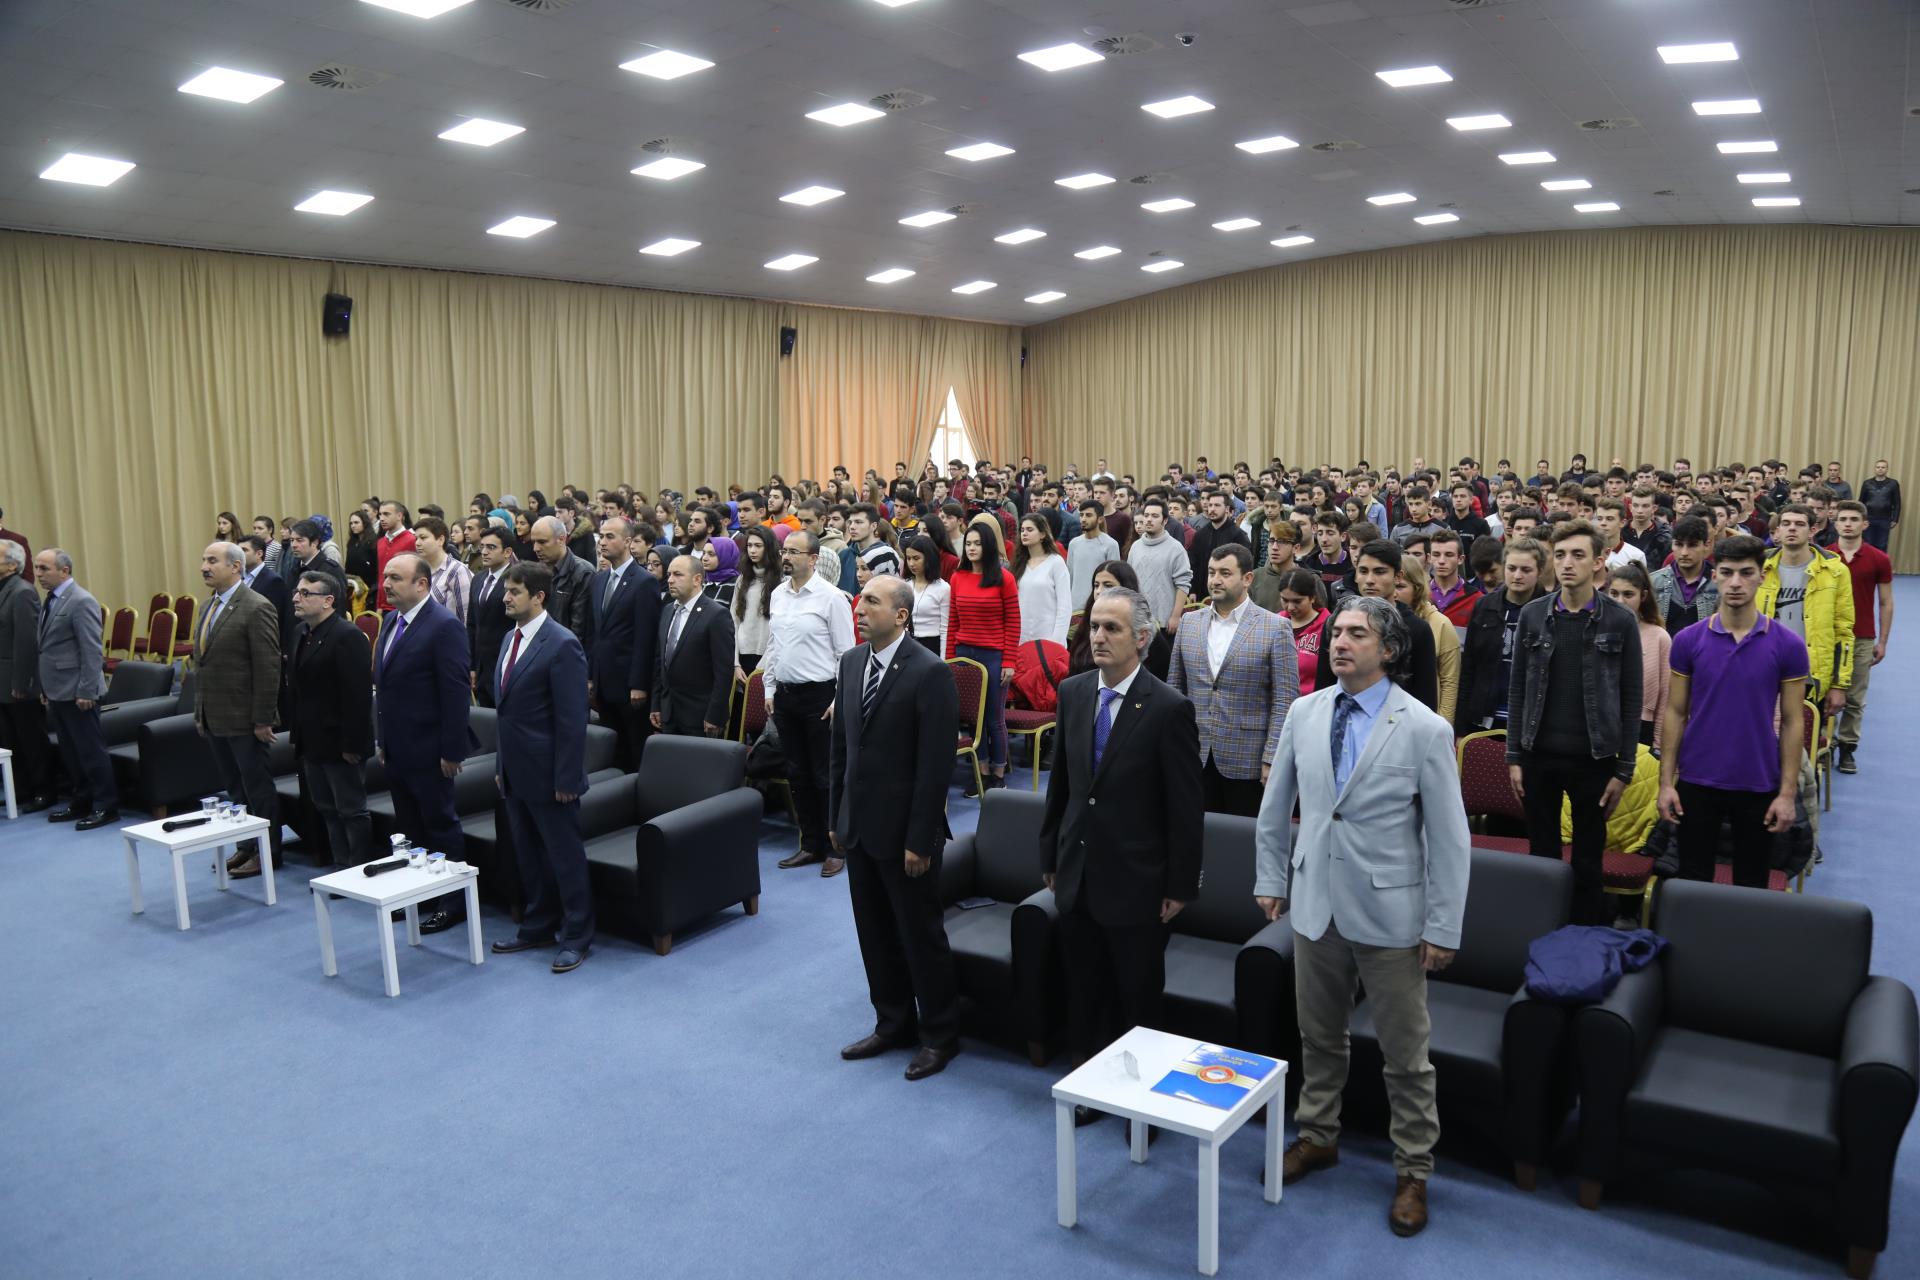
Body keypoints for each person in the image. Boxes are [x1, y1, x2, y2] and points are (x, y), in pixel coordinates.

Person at [1253, 595, 1471, 1236]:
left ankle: (1413, 1170)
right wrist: (1270, 877)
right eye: (1337, 633)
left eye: (1357, 634)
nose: (1339, 643)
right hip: (1314, 901)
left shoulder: (1425, 728)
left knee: (1406, 1055)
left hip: (1392, 912)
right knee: (1318, 1035)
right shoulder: (1305, 711)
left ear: (1390, 650)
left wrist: (1442, 925)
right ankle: (1318, 1136)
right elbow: (1276, 804)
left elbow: (1450, 838)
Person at [1041, 587, 1204, 1109]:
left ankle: (1142, 1101)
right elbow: (1062, 786)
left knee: (1136, 996)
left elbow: (1184, 809)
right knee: (1083, 988)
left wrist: (1180, 884)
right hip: (1078, 870)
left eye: (1112, 628)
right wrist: (1050, 855)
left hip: (1137, 880)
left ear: (1141, 638)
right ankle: (1088, 1087)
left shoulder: (1169, 708)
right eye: (1094, 626)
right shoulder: (1074, 692)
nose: (1098, 636)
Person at [829, 576, 964, 1081]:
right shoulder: (851, 663)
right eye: (859, 600)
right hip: (859, 827)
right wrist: (836, 817)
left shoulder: (930, 672)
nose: (859, 609)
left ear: (901, 615)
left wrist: (919, 838)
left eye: (871, 601)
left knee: (920, 937)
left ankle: (941, 1035)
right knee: (874, 933)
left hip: (907, 832)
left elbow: (935, 767)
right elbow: (841, 749)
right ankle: (893, 1023)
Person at [1505, 520, 1642, 926]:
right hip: (1538, 754)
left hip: (1594, 758)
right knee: (1542, 856)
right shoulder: (1533, 615)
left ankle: (1583, 935)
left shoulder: (1620, 620)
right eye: (1560, 555)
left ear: (1599, 561)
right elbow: (1518, 689)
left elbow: (1631, 698)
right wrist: (1514, 756)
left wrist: (1624, 769)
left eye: (1578, 555)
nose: (1567, 563)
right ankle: (1542, 929)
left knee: (1587, 859)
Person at [1658, 534, 1808, 888]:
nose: (1736, 582)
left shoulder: (1789, 645)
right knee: (1691, 883)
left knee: (1750, 887)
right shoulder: (1688, 641)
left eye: (1746, 573)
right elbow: (1675, 712)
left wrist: (1787, 793)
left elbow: (1792, 722)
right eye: (1727, 573)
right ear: (1715, 576)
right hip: (1696, 779)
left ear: (1762, 577)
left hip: (1759, 780)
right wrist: (1666, 783)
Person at [487, 560, 595, 972]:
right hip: (515, 771)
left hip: (551, 774)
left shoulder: (562, 643)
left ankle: (577, 935)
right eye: (506, 590)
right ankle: (538, 925)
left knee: (565, 858)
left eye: (514, 592)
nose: (506, 598)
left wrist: (567, 776)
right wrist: (502, 765)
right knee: (529, 855)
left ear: (538, 597)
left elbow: (572, 720)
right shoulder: (508, 639)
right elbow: (506, 713)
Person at [374, 552, 473, 935]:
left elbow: (455, 693)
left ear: (421, 584)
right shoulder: (390, 621)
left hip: (431, 749)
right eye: (385, 577)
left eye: (395, 578)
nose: (386, 584)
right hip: (397, 747)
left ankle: (453, 901)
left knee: (440, 825)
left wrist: (452, 750)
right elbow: (384, 689)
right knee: (410, 827)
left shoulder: (444, 626)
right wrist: (382, 739)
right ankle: (421, 892)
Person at [1169, 544, 1299, 817]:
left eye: (1225, 573)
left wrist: (1272, 757)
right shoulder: (1189, 623)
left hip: (1248, 761)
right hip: (1194, 756)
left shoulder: (1275, 627)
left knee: (1242, 838)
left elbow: (1285, 700)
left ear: (1247, 578)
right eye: (1211, 572)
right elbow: (1175, 691)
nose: (1215, 580)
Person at [765, 531, 858, 876]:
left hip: (821, 696)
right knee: (797, 773)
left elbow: (846, 655)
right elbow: (774, 645)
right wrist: (769, 689)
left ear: (813, 558)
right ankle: (810, 844)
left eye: (794, 551)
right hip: (786, 695)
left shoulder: (832, 598)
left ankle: (837, 847)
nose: (786, 557)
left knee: (825, 775)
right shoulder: (778, 594)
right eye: (784, 551)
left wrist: (838, 698)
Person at [193, 542, 283, 877]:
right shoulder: (208, 606)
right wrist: (200, 712)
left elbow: (268, 667)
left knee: (257, 789)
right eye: (204, 560)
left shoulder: (256, 606)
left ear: (235, 566)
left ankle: (268, 852)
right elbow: (202, 666)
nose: (204, 566)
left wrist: (263, 718)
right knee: (235, 789)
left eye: (212, 560)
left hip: (246, 718)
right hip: (215, 716)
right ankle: (246, 845)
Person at [287, 569, 375, 866]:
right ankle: (340, 866)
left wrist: (352, 745)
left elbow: (358, 697)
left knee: (351, 810)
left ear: (328, 601)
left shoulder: (347, 636)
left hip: (341, 743)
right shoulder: (301, 632)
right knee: (325, 807)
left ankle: (360, 868)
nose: (296, 598)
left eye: (305, 593)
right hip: (312, 741)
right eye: (297, 592)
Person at [34, 549, 117, 827]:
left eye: (44, 568)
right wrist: (45, 686)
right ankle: (82, 800)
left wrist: (87, 690)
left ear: (64, 571)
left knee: (91, 751)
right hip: (57, 689)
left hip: (79, 691)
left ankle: (106, 805)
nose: (38, 574)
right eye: (37, 568)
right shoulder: (51, 599)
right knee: (71, 752)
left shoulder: (81, 600)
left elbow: (92, 650)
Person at [1757, 504, 1854, 722]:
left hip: (1810, 674)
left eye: (1799, 524)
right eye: (1786, 523)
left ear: (1812, 530)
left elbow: (1844, 631)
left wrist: (1839, 685)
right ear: (1778, 530)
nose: (1792, 528)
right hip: (1762, 669)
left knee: (1803, 738)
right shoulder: (1759, 567)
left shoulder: (1836, 572)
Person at [947, 523, 1022, 792]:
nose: (972, 548)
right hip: (964, 655)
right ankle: (981, 773)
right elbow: (953, 621)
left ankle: (998, 773)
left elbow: (1013, 622)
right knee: (972, 720)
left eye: (977, 543)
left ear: (988, 546)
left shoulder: (1004, 578)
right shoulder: (958, 577)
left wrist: (1009, 661)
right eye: (968, 543)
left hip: (994, 656)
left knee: (993, 718)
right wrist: (950, 661)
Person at [587, 516, 662, 772]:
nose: (602, 542)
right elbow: (594, 633)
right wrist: (590, 676)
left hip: (630, 685)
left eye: (610, 537)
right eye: (601, 536)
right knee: (612, 748)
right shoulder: (598, 580)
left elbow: (646, 637)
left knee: (635, 748)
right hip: (603, 681)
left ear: (628, 541)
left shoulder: (644, 581)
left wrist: (639, 684)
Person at [1454, 537, 1546, 734]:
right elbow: (1469, 668)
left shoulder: (1549, 611)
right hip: (1485, 715)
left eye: (1526, 570)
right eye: (1511, 568)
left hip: (1531, 720)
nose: (1517, 575)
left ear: (1539, 571)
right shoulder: (1484, 606)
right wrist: (1460, 728)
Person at [1831, 500, 1893, 774]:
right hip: (1827, 635)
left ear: (1864, 524)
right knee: (1822, 692)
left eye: (1854, 519)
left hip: (1861, 637)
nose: (1848, 524)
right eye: (1843, 519)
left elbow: (1886, 602)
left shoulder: (1879, 559)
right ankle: (1821, 743)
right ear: (1835, 524)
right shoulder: (1824, 556)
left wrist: (1883, 641)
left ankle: (1847, 747)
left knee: (1855, 698)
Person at [1351, 540, 1440, 712]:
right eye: (1363, 571)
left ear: (1398, 577)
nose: (1369, 580)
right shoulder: (1341, 623)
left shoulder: (1417, 630)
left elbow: (1425, 701)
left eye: (1379, 572)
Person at [653, 555, 735, 738]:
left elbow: (723, 673)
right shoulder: (667, 610)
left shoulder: (716, 615)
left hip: (700, 717)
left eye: (678, 574)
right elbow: (660, 663)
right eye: (669, 574)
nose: (670, 580)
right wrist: (656, 704)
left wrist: (715, 715)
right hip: (668, 713)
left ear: (697, 579)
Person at [0, 541, 50, 812]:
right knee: (9, 739)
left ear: (11, 565)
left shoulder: (22, 592)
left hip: (19, 682)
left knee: (30, 739)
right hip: (2, 681)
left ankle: (43, 790)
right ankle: (20, 790)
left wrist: (21, 682)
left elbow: (27, 643)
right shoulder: (3, 589)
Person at [1605, 563, 1671, 750]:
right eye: (1614, 593)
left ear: (1643, 596)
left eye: (1628, 594)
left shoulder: (1659, 637)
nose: (1620, 601)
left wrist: (1658, 745)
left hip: (1641, 729)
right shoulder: (1595, 630)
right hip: (1601, 723)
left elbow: (1665, 698)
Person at [1393, 565, 1461, 726]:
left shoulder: (1440, 623)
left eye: (1401, 586)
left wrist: (1443, 725)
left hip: (1426, 719)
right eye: (1392, 585)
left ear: (1417, 589)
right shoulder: (1380, 621)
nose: (1394, 593)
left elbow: (1449, 681)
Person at [1125, 495, 1192, 641]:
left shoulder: (1175, 548)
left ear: (1165, 520)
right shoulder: (1135, 547)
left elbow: (1183, 585)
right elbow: (1130, 583)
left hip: (1165, 623)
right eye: (1146, 515)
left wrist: (1175, 616)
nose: (1149, 519)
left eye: (1155, 516)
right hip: (1138, 621)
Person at [530, 515, 595, 657]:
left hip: (564, 655)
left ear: (561, 539)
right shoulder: (535, 572)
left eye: (542, 542)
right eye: (534, 542)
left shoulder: (583, 572)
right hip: (537, 653)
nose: (536, 548)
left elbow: (579, 629)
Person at [468, 526, 515, 708]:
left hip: (506, 664)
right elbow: (472, 624)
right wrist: (472, 665)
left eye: (491, 547)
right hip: (481, 667)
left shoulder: (517, 579)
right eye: (483, 547)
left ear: (507, 552)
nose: (484, 552)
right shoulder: (478, 579)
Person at [1650, 516, 1718, 636]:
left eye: (1692, 545)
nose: (1684, 553)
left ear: (1706, 545)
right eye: (1679, 544)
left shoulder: (1719, 584)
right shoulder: (1653, 582)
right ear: (1672, 544)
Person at [1013, 514, 1073, 647]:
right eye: (1022, 530)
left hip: (1048, 637)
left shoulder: (1056, 562)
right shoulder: (1019, 564)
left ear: (1042, 534)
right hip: (1021, 638)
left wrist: (1057, 640)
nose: (1024, 533)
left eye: (1030, 530)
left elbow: (1065, 606)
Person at [732, 525, 779, 679]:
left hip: (769, 656)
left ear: (769, 548)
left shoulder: (782, 581)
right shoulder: (742, 579)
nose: (752, 550)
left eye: (758, 546)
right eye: (749, 545)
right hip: (743, 654)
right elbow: (734, 620)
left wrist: (763, 665)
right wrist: (735, 663)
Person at [1275, 569, 1331, 696]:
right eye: (1285, 600)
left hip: (1312, 701)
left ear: (1312, 598)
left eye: (1297, 601)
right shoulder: (1275, 622)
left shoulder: (1328, 627)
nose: (1290, 607)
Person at [412, 516, 471, 626]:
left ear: (440, 540)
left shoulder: (457, 571)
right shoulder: (417, 571)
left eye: (423, 538)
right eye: (416, 538)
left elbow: (467, 618)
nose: (417, 543)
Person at [1425, 529, 1480, 629]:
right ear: (1429, 558)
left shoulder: (1476, 599)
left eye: (1449, 555)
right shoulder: (1418, 594)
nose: (1441, 561)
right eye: (1436, 555)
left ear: (1460, 559)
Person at [903, 536, 949, 655]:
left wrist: (944, 660)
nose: (911, 563)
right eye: (908, 558)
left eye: (916, 558)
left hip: (932, 645)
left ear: (929, 558)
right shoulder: (905, 585)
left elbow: (945, 629)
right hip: (908, 642)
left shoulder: (943, 588)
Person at [1067, 500, 1118, 605]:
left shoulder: (1111, 544)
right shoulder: (1074, 544)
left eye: (1088, 515)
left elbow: (1114, 580)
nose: (1083, 519)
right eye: (1081, 515)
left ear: (1100, 519)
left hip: (1100, 604)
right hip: (1075, 606)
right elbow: (1070, 577)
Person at [373, 500, 415, 611]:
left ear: (399, 516)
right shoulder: (380, 542)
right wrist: (379, 604)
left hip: (404, 604)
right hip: (384, 604)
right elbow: (381, 576)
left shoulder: (412, 540)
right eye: (380, 514)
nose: (382, 518)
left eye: (386, 514)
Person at [1858, 459, 1900, 552]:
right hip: (1868, 518)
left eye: (1883, 467)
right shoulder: (1867, 483)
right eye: (1878, 467)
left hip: (1885, 519)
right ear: (1875, 469)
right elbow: (1861, 502)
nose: (1880, 469)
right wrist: (1861, 518)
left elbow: (1897, 503)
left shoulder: (1893, 483)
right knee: (1867, 544)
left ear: (1887, 469)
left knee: (1882, 545)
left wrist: (1895, 519)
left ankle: (1880, 562)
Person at [700, 538, 740, 608]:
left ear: (725, 556)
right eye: (704, 553)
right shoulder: (700, 581)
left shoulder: (737, 584)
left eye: (711, 554)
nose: (704, 558)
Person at [344, 510, 378, 594]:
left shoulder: (374, 542)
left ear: (365, 523)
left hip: (369, 588)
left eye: (356, 522)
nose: (353, 526)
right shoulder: (351, 542)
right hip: (353, 586)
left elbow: (376, 568)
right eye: (351, 523)